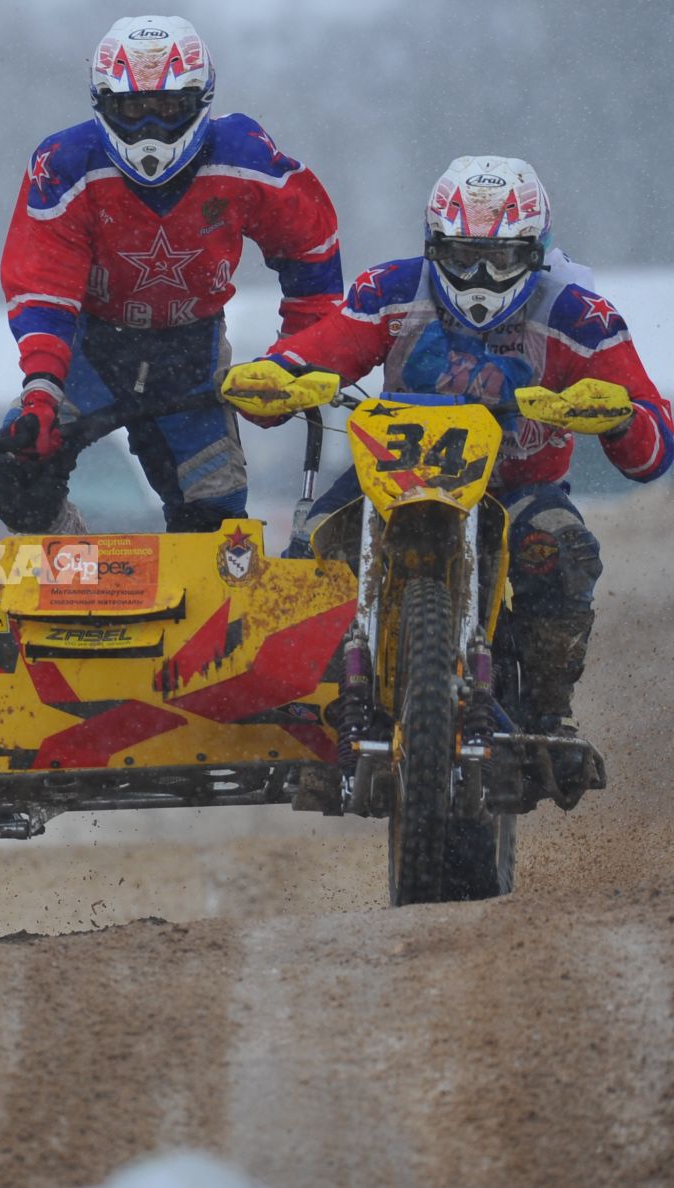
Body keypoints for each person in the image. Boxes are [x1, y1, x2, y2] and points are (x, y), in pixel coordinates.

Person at [222, 157, 674, 797]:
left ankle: (548, 714)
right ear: (433, 247)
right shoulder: (391, 292)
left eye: (500, 258)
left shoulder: (580, 318)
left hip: (515, 486)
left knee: (561, 549)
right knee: (308, 555)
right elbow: (318, 350)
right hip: (393, 477)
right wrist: (276, 376)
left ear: (536, 253)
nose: (480, 277)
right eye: (462, 256)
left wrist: (620, 418)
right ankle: (307, 711)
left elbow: (653, 450)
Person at [0, 15, 342, 534]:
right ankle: (71, 561)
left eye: (168, 108)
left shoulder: (245, 157)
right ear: (104, 105)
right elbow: (42, 287)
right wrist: (40, 393)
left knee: (215, 514)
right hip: (91, 347)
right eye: (132, 109)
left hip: (190, 351)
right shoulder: (64, 165)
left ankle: (201, 606)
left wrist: (296, 357)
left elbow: (311, 248)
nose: (150, 128)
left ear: (201, 101)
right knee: (17, 474)